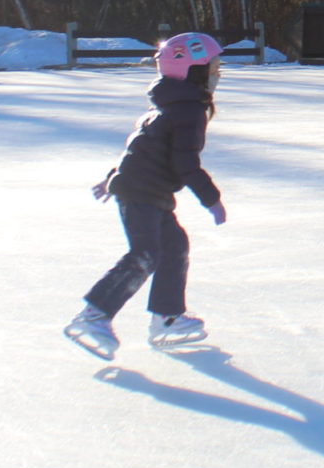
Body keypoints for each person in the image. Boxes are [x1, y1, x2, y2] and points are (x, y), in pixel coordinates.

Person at [64, 33, 228, 360]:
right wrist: (212, 198)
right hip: (142, 191)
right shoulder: (187, 110)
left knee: (174, 246)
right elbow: (185, 163)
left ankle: (167, 318)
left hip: (148, 189)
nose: (217, 74)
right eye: (211, 68)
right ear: (190, 71)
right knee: (146, 254)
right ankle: (93, 315)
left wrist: (113, 178)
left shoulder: (172, 106)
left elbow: (141, 146)